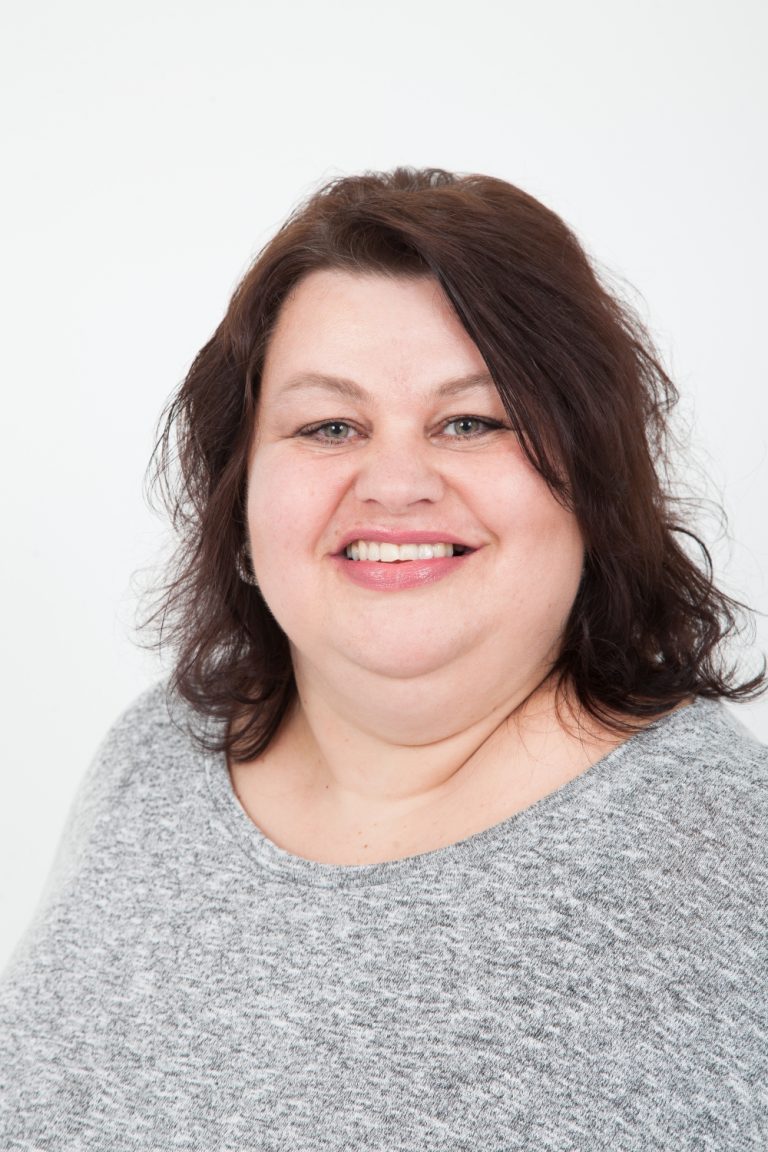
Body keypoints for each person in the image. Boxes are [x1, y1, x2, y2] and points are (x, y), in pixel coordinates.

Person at [1, 168, 765, 1150]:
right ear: (241, 489)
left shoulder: (735, 864)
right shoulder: (158, 752)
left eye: (471, 422)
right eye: (329, 426)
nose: (396, 484)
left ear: (594, 474)